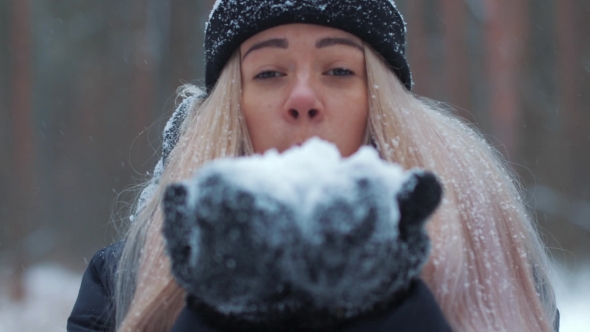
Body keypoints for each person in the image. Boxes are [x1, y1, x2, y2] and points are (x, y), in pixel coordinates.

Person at [67, 0, 559, 331]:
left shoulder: (493, 265)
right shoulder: (123, 277)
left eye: (340, 70)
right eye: (269, 72)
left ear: (383, 106)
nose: (302, 98)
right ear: (231, 108)